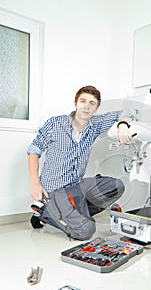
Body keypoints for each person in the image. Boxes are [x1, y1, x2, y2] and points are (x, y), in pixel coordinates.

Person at [27, 85, 132, 239]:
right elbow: (33, 151)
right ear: (75, 103)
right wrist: (35, 184)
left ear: (96, 108)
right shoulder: (56, 123)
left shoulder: (94, 125)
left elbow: (127, 112)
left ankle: (69, 213)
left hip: (76, 187)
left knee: (116, 186)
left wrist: (123, 125)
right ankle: (46, 213)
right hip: (55, 190)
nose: (87, 106)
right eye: (83, 101)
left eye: (92, 103)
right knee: (86, 230)